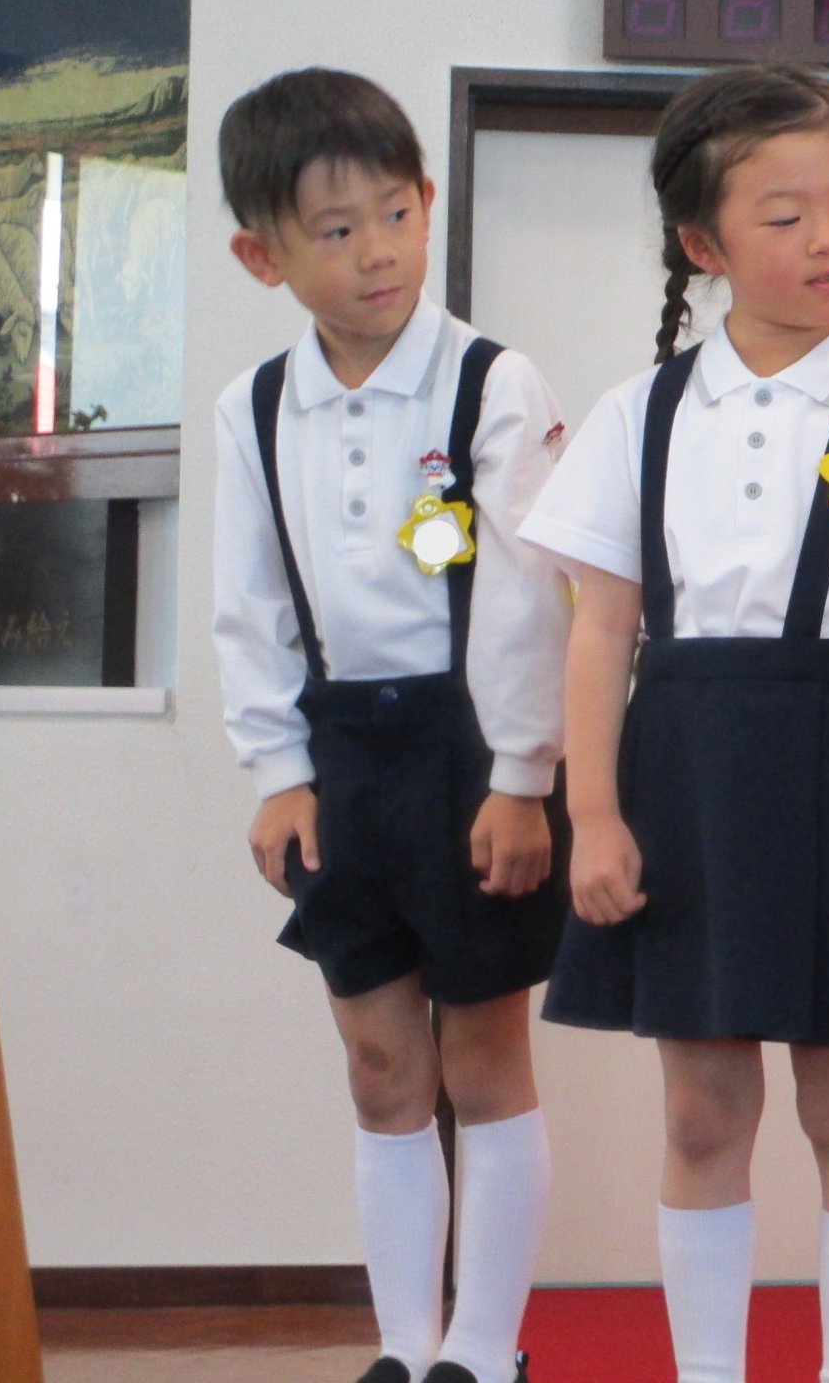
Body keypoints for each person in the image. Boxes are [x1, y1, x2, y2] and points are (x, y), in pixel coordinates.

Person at [521, 64, 829, 1383]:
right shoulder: (640, 413)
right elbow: (600, 630)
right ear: (704, 244)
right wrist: (594, 816)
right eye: (787, 216)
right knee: (701, 1109)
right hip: (684, 779)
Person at [212, 68, 572, 1383]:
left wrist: (522, 775)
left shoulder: (489, 380)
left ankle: (485, 1347)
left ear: (427, 201)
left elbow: (528, 597)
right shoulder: (255, 407)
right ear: (264, 256)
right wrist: (277, 768)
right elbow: (248, 601)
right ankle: (404, 1347)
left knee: (482, 1050)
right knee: (377, 1059)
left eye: (395, 214)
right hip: (339, 760)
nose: (377, 251)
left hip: (473, 752)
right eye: (336, 228)